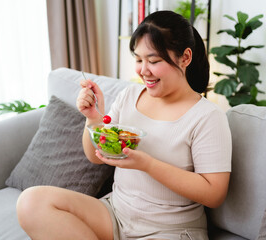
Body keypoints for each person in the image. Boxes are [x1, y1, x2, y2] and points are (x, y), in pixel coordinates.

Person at [16, 10, 232, 240]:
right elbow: (95, 155)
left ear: (185, 58)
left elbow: (214, 193)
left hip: (169, 229)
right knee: (31, 202)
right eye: (138, 60)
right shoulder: (130, 95)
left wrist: (147, 164)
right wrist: (93, 118)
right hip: (115, 214)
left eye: (154, 60)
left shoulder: (207, 116)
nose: (143, 70)